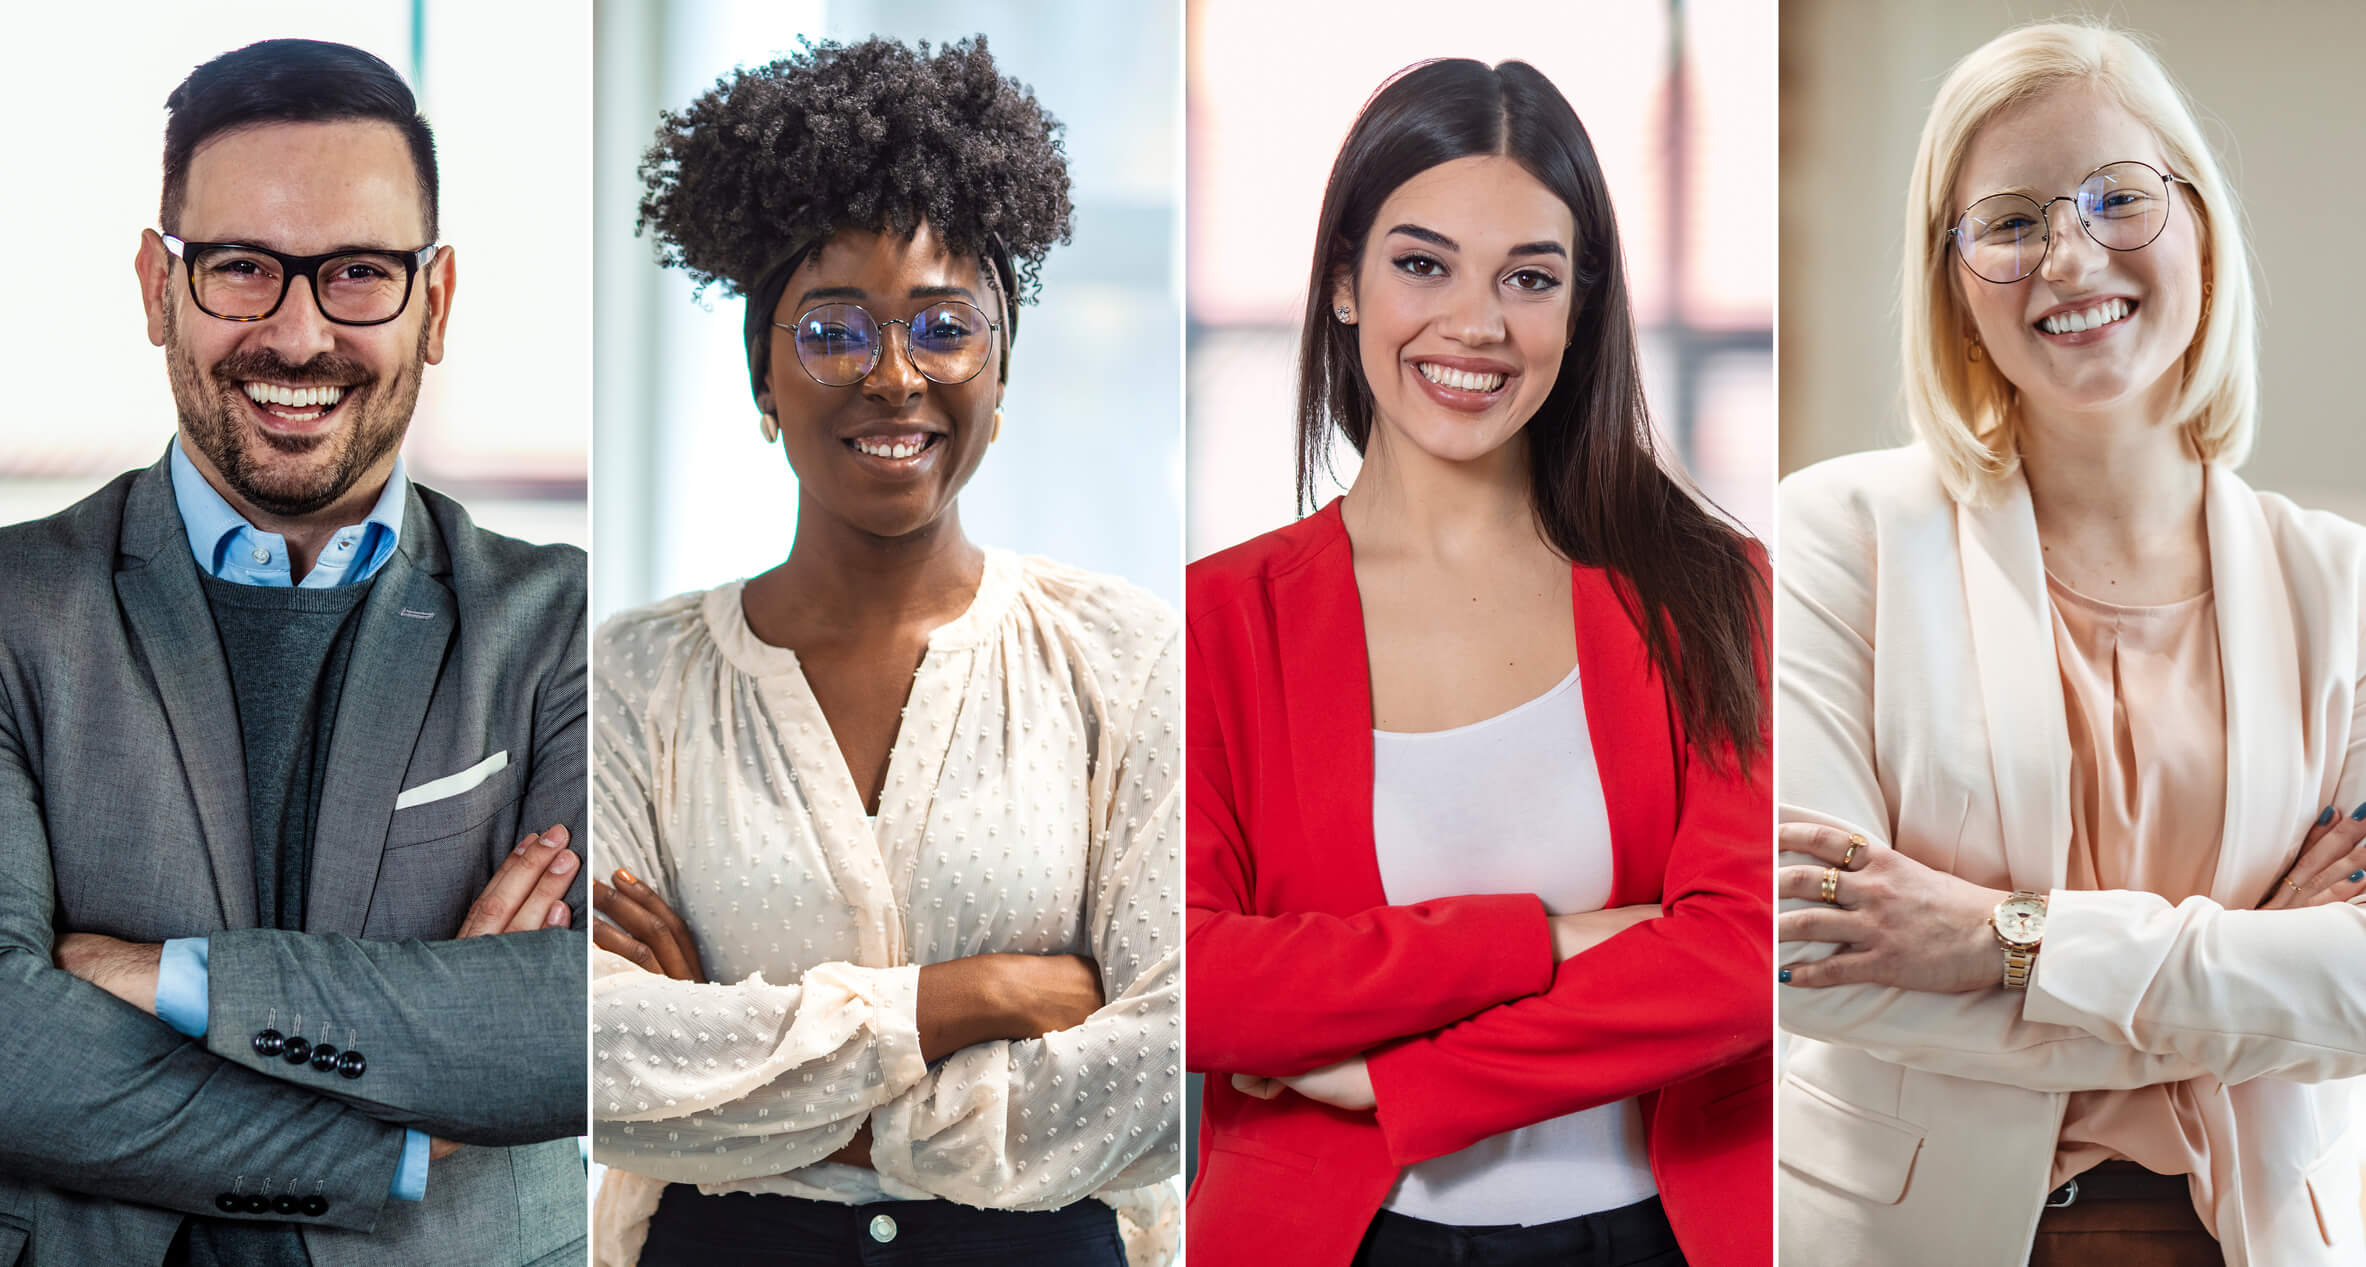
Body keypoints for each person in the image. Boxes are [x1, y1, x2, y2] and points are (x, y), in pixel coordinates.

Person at [1776, 21, 2366, 1267]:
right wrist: (2250, 954)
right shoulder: (1831, 537)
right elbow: (1815, 960)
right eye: (2008, 220)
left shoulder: (2344, 586)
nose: (2069, 252)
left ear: (2198, 225)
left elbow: (2359, 993)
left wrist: (1998, 940)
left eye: (2117, 198)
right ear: (1950, 281)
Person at [586, 36, 1181, 1267]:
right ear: (763, 375)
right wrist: (969, 1001)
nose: (893, 377)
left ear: (999, 369)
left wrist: (761, 1087)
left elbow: (1176, 1061)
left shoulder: (1120, 660)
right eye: (832, 332)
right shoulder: (628, 684)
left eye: (943, 326)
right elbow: (591, 1054)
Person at [0, 38, 589, 1267]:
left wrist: (170, 978)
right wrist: (405, 1135)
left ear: (435, 304)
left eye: (359, 273)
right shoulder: (11, 608)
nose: (300, 333)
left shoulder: (567, 625)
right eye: (243, 269)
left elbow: (588, 1024)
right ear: (160, 287)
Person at [1186, 58, 1772, 1267]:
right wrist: (1552, 938)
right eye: (1420, 264)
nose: (1475, 323)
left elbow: (1743, 955)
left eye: (1528, 278)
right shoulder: (1215, 619)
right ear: (1343, 284)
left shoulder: (1712, 586)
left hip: (1669, 1235)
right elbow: (1196, 979)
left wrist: (1397, 1079)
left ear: (1577, 307)